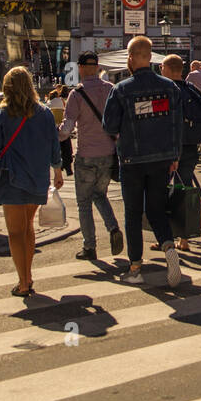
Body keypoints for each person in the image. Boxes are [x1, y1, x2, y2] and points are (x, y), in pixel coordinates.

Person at [101, 36, 183, 287]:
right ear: (150, 57)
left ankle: (136, 266)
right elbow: (177, 125)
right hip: (161, 159)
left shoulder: (122, 89)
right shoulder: (170, 88)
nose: (127, 59)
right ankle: (169, 247)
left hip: (132, 160)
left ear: (134, 57)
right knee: (157, 210)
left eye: (128, 54)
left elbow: (109, 125)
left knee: (133, 213)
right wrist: (175, 155)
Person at [0, 66, 63, 297]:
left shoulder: (1, 114)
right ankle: (28, 276)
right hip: (37, 176)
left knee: (15, 232)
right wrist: (57, 171)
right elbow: (54, 144)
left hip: (11, 176)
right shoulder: (44, 112)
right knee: (28, 227)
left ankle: (23, 282)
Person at [59, 52, 123, 261]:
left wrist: (54, 135)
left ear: (80, 68)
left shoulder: (76, 94)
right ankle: (113, 228)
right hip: (108, 153)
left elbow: (67, 129)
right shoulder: (110, 90)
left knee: (84, 202)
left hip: (86, 154)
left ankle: (90, 246)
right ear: (97, 67)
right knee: (100, 194)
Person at [160, 54, 201, 251]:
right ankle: (185, 238)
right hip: (191, 145)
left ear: (170, 69)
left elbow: (163, 119)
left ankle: (166, 236)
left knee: (162, 191)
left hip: (171, 146)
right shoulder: (193, 89)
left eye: (162, 67)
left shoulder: (167, 90)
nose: (160, 70)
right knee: (184, 187)